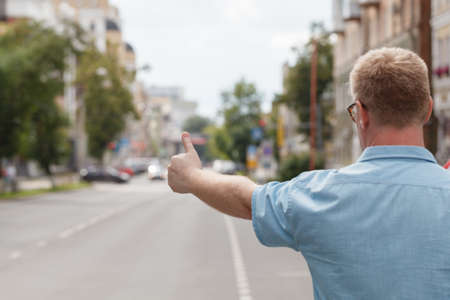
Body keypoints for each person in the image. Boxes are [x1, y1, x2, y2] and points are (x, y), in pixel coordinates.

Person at [168, 48, 450, 299]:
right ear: (427, 110)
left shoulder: (319, 194)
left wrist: (192, 176)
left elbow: (246, 199)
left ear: (361, 114)